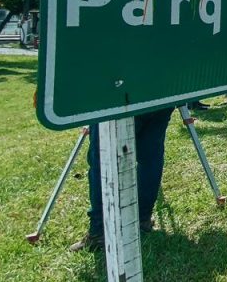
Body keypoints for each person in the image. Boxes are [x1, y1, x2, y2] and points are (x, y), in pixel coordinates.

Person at [70, 107, 175, 252]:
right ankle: (142, 218)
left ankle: (100, 231)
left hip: (114, 100)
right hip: (159, 96)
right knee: (151, 157)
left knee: (102, 162)